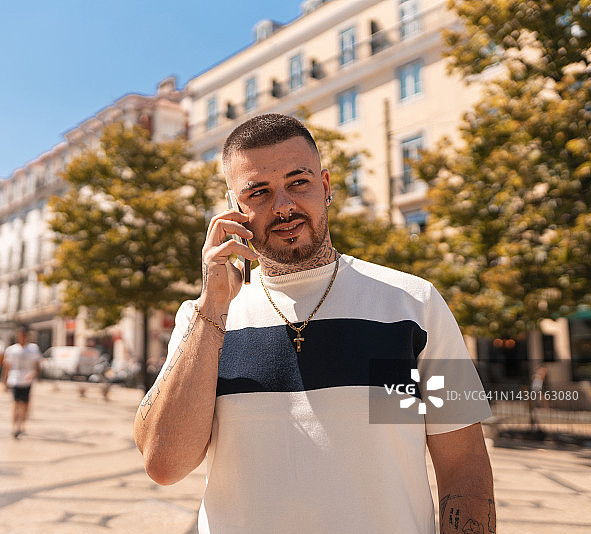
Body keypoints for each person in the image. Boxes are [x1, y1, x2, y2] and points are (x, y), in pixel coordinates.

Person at [134, 114, 495, 533]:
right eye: (259, 192)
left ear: (325, 187)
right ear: (235, 210)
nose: (284, 205)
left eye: (298, 182)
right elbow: (164, 463)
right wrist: (213, 307)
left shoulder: (412, 304)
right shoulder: (204, 320)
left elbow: (464, 468)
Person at [2, 325, 42, 439]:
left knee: (25, 404)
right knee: (15, 403)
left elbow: (36, 364)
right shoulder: (11, 350)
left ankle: (22, 426)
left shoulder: (33, 348)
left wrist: (35, 374)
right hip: (14, 379)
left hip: (27, 381)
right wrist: (4, 382)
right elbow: (7, 366)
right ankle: (15, 427)